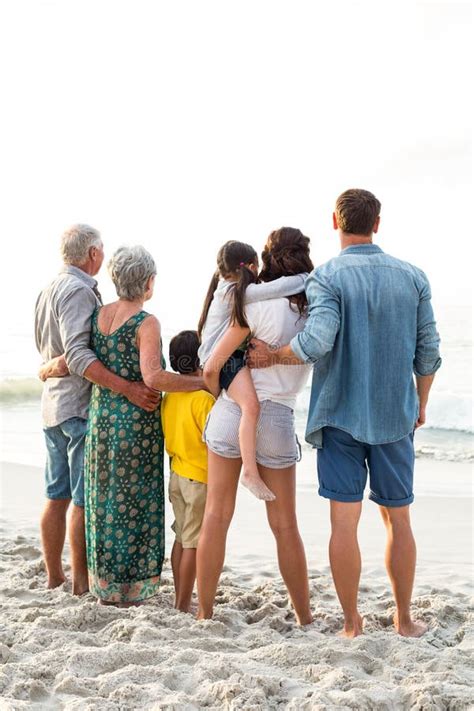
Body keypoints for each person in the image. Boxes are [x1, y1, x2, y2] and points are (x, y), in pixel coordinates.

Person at [247, 189, 442, 638]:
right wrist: (422, 402)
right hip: (395, 416)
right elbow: (428, 353)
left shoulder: (327, 278)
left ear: (335, 221)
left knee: (343, 522)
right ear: (378, 222)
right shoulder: (413, 277)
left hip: (338, 417)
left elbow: (317, 342)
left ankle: (352, 624)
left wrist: (273, 355)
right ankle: (404, 619)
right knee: (399, 518)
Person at [197, 227, 314, 625]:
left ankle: (205, 613)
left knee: (216, 516)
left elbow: (212, 364)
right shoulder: (315, 309)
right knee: (285, 527)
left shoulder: (252, 305)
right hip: (278, 418)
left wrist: (217, 397)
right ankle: (304, 617)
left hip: (233, 412)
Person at [35, 225, 159, 595]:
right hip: (75, 408)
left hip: (53, 407)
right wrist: (128, 389)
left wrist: (47, 367)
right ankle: (77, 584)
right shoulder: (77, 291)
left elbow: (53, 351)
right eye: (101, 251)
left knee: (55, 495)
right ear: (92, 253)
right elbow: (76, 354)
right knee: (80, 500)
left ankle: (55, 575)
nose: (103, 258)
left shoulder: (48, 288)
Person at [85, 246, 205, 605]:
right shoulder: (145, 322)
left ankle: (105, 585)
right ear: (149, 282)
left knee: (104, 502)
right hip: (135, 428)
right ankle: (132, 591)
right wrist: (202, 383)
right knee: (135, 506)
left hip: (102, 421)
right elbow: (153, 376)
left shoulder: (98, 315)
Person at [198, 240, 307, 501]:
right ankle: (249, 471)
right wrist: (305, 278)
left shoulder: (226, 289)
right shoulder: (234, 292)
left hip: (225, 360)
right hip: (224, 362)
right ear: (250, 266)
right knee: (251, 407)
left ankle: (250, 470)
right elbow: (277, 288)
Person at [161, 330, 215, 613]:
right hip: (199, 479)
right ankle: (183, 603)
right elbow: (214, 442)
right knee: (193, 542)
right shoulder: (204, 401)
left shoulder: (170, 395)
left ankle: (179, 597)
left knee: (182, 538)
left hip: (177, 475)